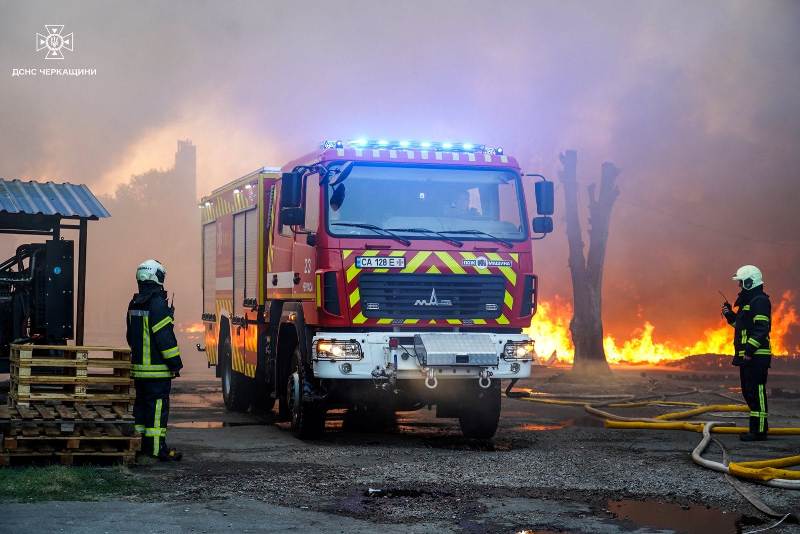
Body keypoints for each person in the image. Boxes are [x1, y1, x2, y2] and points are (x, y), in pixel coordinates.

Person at [126, 259, 184, 460]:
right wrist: (175, 363)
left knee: (141, 408)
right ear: (156, 277)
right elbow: (165, 340)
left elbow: (129, 336)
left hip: (139, 370)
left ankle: (140, 445)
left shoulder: (134, 303)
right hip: (157, 372)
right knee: (157, 409)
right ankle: (157, 449)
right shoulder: (158, 304)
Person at [722, 265, 772, 441]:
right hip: (748, 356)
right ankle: (756, 428)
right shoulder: (748, 303)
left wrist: (749, 351)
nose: (740, 286)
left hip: (756, 356)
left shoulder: (759, 301)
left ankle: (758, 431)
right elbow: (743, 327)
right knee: (748, 391)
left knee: (757, 390)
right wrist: (730, 316)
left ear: (751, 282)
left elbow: (761, 328)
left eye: (742, 282)